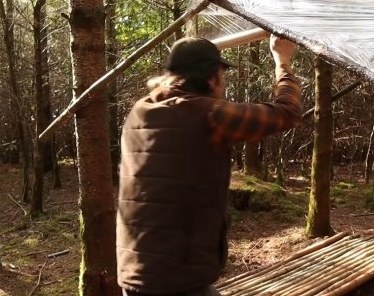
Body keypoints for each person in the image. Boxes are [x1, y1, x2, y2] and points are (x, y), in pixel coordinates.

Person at [116, 35, 302, 296]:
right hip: (179, 281)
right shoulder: (209, 114)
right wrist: (282, 59)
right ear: (211, 78)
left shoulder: (138, 112)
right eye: (222, 78)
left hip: (134, 275)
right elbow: (287, 112)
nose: (223, 86)